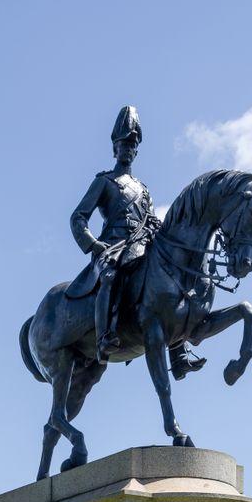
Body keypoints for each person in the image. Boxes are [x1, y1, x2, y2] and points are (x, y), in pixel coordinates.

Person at [69, 106, 160, 362]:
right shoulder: (104, 182)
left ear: (137, 151)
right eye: (123, 145)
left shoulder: (143, 189)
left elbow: (151, 220)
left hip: (139, 247)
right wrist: (93, 244)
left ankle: (179, 351)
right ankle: (103, 337)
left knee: (166, 281)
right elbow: (78, 217)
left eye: (132, 147)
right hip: (110, 247)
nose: (128, 150)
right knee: (109, 276)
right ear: (114, 149)